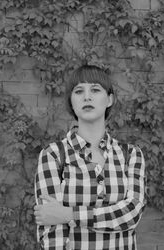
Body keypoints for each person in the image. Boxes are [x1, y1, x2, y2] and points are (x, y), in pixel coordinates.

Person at [34, 64, 146, 250]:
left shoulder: (131, 155)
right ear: (71, 102)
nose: (87, 96)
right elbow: (51, 228)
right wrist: (60, 216)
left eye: (95, 89)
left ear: (109, 99)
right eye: (79, 91)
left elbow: (131, 214)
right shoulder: (53, 155)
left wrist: (70, 214)